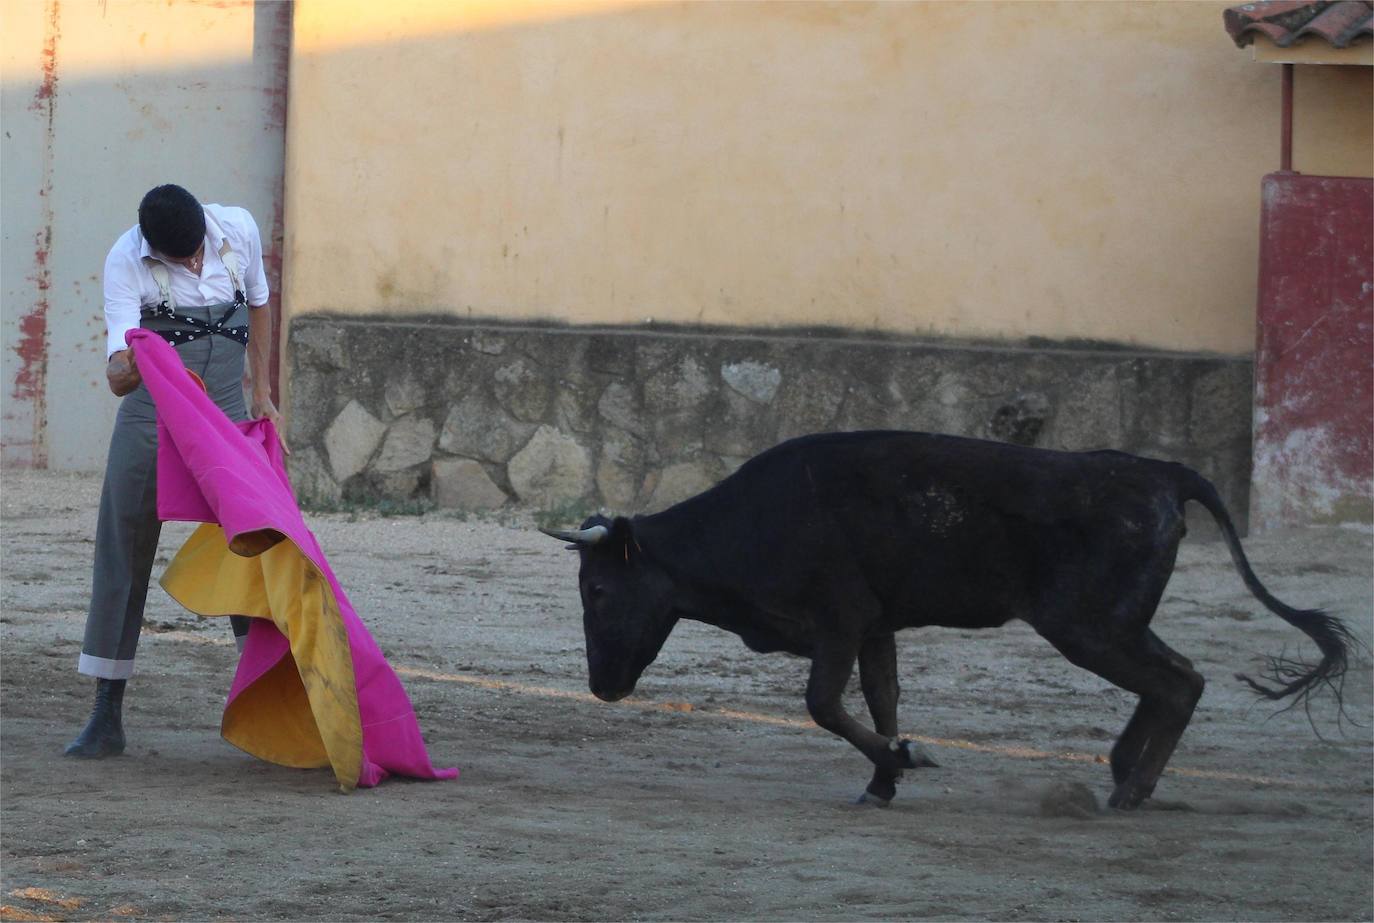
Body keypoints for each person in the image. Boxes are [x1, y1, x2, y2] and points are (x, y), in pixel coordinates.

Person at [66, 184, 285, 758]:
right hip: (153, 419)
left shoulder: (236, 228)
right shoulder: (126, 258)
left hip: (227, 414)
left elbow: (259, 302)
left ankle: (273, 704)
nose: (191, 265)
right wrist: (127, 367)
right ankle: (105, 715)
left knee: (254, 544)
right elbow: (118, 371)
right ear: (152, 248)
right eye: (178, 260)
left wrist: (261, 390)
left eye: (195, 255)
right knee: (124, 547)